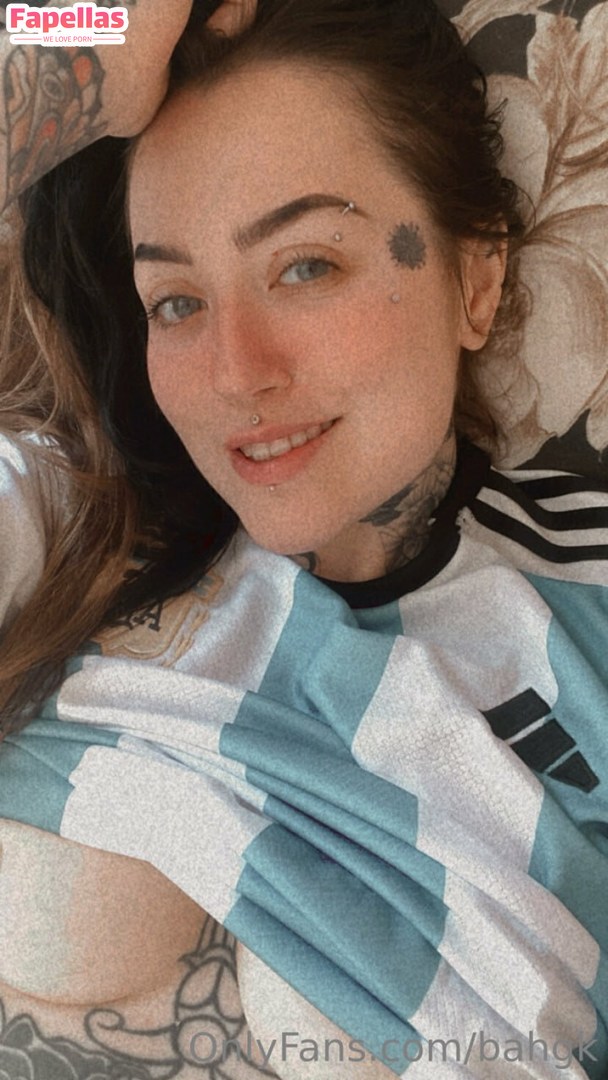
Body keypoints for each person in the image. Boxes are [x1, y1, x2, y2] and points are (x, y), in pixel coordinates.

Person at [0, 1, 607, 1077]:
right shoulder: (66, 526)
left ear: (475, 280)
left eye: (305, 266)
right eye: (175, 302)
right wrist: (77, 53)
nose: (237, 372)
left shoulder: (584, 612)